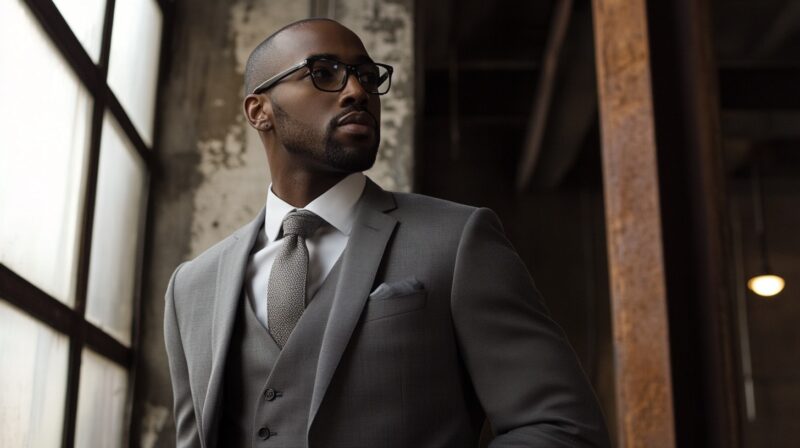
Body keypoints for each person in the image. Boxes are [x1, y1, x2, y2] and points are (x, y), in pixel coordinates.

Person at [164, 17, 610, 448]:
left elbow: (562, 427)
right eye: (323, 73)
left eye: (366, 75)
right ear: (259, 111)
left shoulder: (456, 240)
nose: (357, 91)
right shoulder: (192, 287)